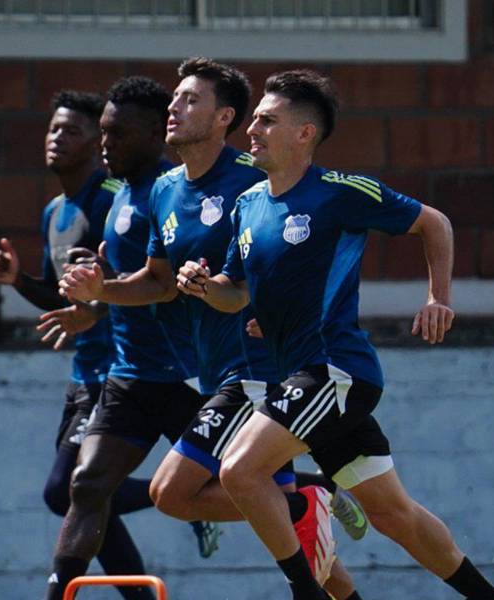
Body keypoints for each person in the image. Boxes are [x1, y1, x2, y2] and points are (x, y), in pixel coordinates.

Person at [176, 69, 494, 600]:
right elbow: (236, 292)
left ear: (304, 134)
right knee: (394, 515)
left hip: (335, 371)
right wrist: (205, 286)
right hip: (300, 379)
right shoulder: (248, 204)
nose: (252, 129)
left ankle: (307, 591)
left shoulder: (339, 192)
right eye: (253, 120)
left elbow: (434, 222)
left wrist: (438, 297)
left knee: (241, 470)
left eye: (267, 120)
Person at [60, 59, 365, 600]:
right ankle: (320, 542)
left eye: (189, 100)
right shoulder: (164, 190)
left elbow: (310, 241)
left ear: (224, 117)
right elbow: (157, 283)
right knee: (278, 520)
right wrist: (100, 290)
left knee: (172, 494)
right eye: (173, 99)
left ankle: (303, 505)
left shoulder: (257, 175)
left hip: (259, 373)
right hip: (214, 372)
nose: (174, 108)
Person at [0, 89, 208, 600]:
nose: (56, 139)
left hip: (130, 367)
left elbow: (152, 280)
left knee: (73, 490)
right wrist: (22, 281)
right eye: (52, 129)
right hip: (89, 371)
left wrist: (99, 302)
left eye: (74, 131)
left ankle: (214, 501)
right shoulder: (56, 212)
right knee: (81, 492)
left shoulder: (121, 195)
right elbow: (64, 290)